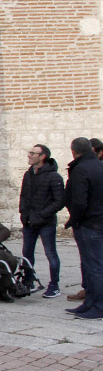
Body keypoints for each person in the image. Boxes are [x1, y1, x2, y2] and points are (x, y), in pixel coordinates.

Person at [63, 137, 103, 319]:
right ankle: (90, 303)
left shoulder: (81, 169)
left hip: (89, 224)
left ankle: (98, 306)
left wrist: (75, 220)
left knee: (94, 267)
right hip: (98, 221)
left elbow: (79, 201)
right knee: (93, 266)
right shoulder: (99, 166)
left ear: (73, 151)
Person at [19, 143, 65, 299]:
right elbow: (24, 196)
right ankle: (28, 280)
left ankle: (54, 285)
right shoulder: (28, 174)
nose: (29, 155)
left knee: (50, 253)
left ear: (42, 156)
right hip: (29, 221)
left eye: (33, 153)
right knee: (27, 253)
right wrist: (23, 213)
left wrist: (42, 214)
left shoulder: (54, 177)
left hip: (46, 222)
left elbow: (59, 201)